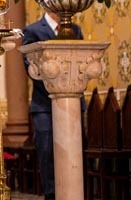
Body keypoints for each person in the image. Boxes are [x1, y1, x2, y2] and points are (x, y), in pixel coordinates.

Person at [22, 11, 83, 200]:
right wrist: (58, 85)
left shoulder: (75, 29)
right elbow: (30, 67)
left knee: (74, 157)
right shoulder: (32, 31)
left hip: (74, 103)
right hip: (44, 105)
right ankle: (52, 195)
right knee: (48, 155)